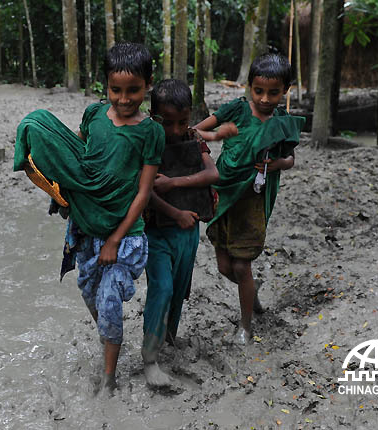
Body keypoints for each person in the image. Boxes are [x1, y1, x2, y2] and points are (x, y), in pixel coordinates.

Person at [13, 42, 165, 394]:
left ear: (148, 86)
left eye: (134, 91)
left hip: (125, 236)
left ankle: (109, 377)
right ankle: (110, 337)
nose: (124, 99)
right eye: (116, 90)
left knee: (110, 300)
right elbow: (79, 160)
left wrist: (115, 240)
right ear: (105, 86)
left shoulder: (151, 132)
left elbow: (143, 193)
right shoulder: (94, 115)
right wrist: (62, 193)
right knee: (90, 293)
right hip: (86, 228)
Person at [193, 53, 305, 345]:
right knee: (223, 266)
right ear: (248, 87)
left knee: (242, 266)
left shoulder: (282, 123)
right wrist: (218, 135)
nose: (265, 99)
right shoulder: (237, 110)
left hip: (252, 199)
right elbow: (196, 132)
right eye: (258, 91)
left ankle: (245, 326)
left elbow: (291, 159)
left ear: (286, 91)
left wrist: (274, 164)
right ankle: (252, 294)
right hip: (223, 194)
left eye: (274, 92)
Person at [141, 79, 219, 387]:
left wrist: (174, 183)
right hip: (156, 232)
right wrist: (174, 212)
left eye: (182, 121)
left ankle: (168, 338)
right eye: (167, 122)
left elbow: (214, 173)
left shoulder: (194, 138)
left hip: (188, 231)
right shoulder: (149, 140)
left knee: (179, 289)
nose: (175, 130)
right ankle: (149, 358)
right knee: (161, 288)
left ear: (190, 116)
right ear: (153, 116)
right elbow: (143, 189)